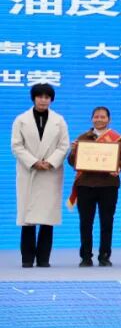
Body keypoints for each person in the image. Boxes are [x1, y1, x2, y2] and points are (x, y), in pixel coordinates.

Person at [11, 83, 70, 268]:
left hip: (50, 173)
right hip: (29, 171)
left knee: (47, 218)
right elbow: (16, 146)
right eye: (40, 96)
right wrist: (34, 162)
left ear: (51, 99)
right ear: (33, 98)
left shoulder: (59, 120)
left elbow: (64, 146)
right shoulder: (21, 120)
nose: (43, 100)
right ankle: (27, 259)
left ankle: (44, 259)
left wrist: (50, 162)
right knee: (27, 220)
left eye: (47, 97)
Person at [67, 106, 121, 267]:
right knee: (85, 222)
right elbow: (72, 162)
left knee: (107, 222)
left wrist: (119, 167)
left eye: (103, 117)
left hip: (108, 185)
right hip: (85, 185)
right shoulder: (82, 138)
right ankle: (86, 256)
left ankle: (104, 256)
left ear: (109, 119)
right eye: (96, 117)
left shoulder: (117, 139)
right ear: (92, 119)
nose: (99, 119)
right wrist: (73, 152)